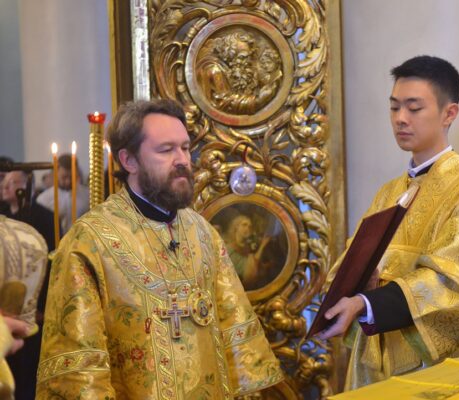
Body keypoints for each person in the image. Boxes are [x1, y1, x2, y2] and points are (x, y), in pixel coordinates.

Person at [36, 99, 283, 399]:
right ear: (129, 161)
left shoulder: (202, 232)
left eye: (184, 148)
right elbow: (79, 369)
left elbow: (236, 330)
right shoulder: (89, 241)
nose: (182, 160)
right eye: (166, 150)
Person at [317, 56, 459, 390]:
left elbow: (452, 283)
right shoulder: (389, 193)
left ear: (449, 113)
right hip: (376, 357)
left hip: (442, 365)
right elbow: (351, 262)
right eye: (394, 107)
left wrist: (367, 303)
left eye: (414, 108)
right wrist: (355, 285)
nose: (400, 119)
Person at [0, 171, 55, 400]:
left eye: (12, 183)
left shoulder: (43, 216)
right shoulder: (3, 212)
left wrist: (42, 309)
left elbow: (51, 262)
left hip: (32, 317)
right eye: (4, 183)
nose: (5, 187)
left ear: (24, 186)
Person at [36, 153, 89, 233]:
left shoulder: (88, 195)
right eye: (64, 177)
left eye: (72, 177)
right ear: (56, 173)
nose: (68, 181)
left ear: (77, 173)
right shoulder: (43, 199)